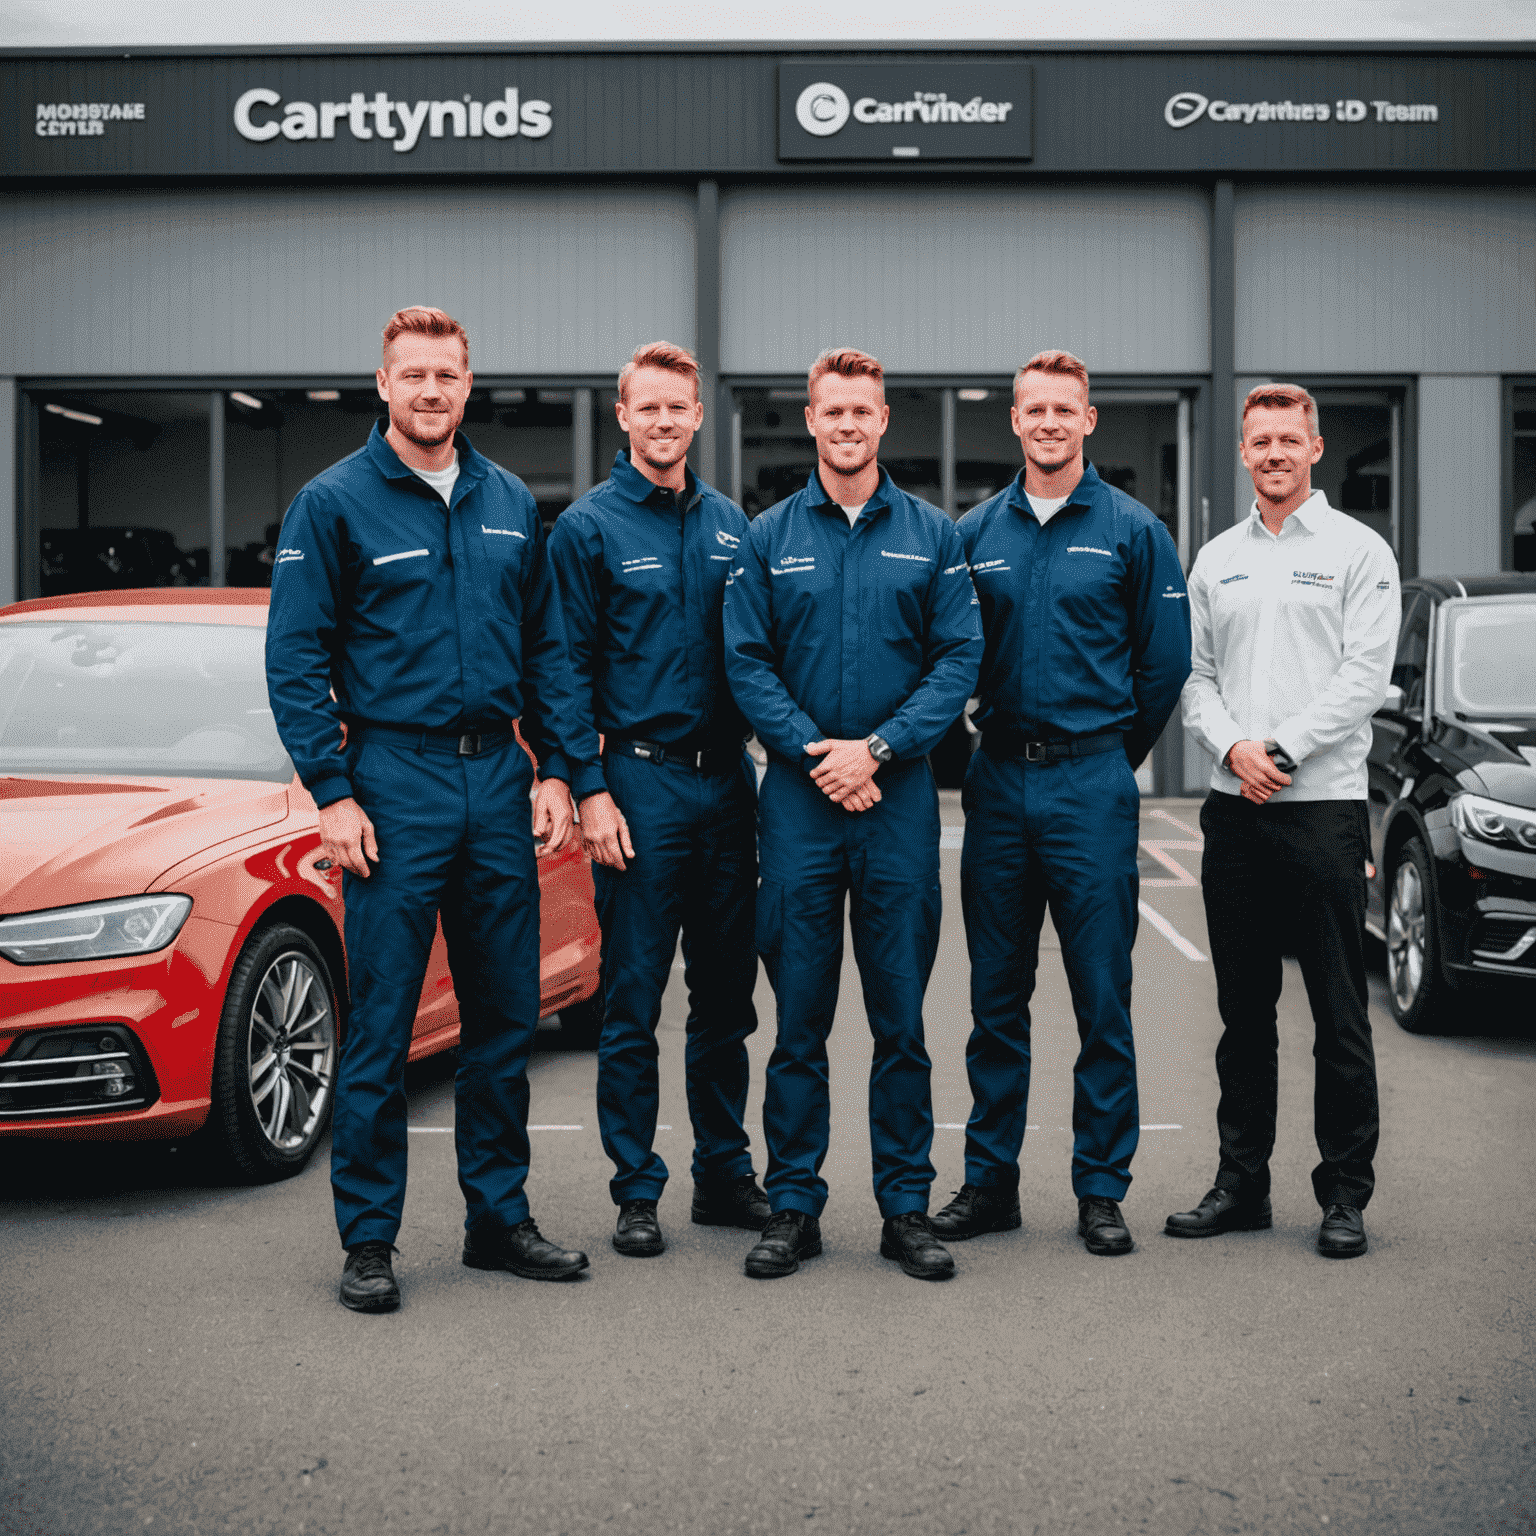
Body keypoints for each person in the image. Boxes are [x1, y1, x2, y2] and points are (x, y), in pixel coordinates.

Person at [266, 306, 598, 1312]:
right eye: (412, 375)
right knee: (381, 1029)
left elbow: (545, 652)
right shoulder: (333, 505)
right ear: (383, 384)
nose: (429, 392)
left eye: (445, 376)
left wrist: (554, 772)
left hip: (497, 779)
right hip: (393, 785)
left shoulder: (506, 500)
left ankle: (499, 1219)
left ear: (467, 383)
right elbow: (294, 661)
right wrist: (331, 793)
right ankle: (369, 1239)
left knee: (503, 1022)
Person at [722, 347, 982, 1281]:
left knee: (900, 1021)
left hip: (897, 800)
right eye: (832, 411)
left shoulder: (933, 536)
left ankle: (905, 1208)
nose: (847, 425)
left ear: (883, 422)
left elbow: (958, 661)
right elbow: (745, 662)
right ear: (811, 419)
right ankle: (794, 1204)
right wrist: (814, 754)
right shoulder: (767, 537)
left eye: (862, 412)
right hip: (796, 804)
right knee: (798, 1021)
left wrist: (873, 750)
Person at [933, 349, 1190, 1258]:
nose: (1048, 422)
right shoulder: (973, 535)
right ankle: (990, 1186)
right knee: (996, 999)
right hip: (998, 783)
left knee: (1101, 998)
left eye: (1064, 410)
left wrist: (1111, 760)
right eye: (1033, 409)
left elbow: (1164, 665)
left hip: (1092, 782)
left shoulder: (1132, 530)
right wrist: (972, 752)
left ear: (1089, 421)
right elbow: (948, 656)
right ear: (1015, 421)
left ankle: (1099, 1190)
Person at [547, 341, 767, 1259]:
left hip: (728, 783)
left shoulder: (731, 525)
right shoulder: (587, 529)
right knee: (632, 998)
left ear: (698, 416)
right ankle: (637, 1188)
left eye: (681, 408)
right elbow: (559, 669)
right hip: (636, 785)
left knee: (726, 999)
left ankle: (722, 1174)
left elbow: (760, 650)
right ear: (624, 416)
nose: (666, 422)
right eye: (650, 408)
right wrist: (589, 787)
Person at [1171, 382, 1398, 1259]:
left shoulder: (1357, 551)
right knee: (1244, 1014)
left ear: (1315, 449)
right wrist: (1234, 753)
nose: (1272, 452)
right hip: (1236, 819)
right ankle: (1243, 1184)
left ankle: (1344, 1193)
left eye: (1287, 439)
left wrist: (1282, 752)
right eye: (1258, 439)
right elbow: (1195, 678)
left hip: (1323, 815)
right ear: (1242, 451)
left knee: (1339, 1015)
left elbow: (1364, 675)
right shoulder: (1216, 558)